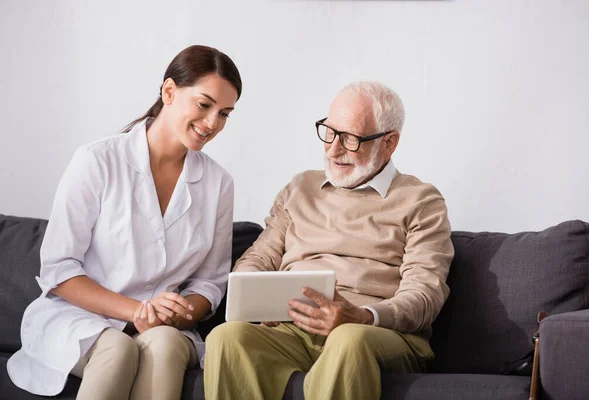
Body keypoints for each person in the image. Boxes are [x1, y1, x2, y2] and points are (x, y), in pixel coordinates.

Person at [7, 45, 242, 400]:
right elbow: (59, 267)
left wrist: (180, 312)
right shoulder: (97, 161)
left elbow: (209, 282)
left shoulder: (219, 184)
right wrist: (138, 312)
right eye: (204, 104)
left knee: (163, 344)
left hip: (164, 327)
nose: (212, 123)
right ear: (169, 92)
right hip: (79, 317)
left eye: (225, 113)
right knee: (117, 349)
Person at [204, 81, 454, 400]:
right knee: (228, 337)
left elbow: (425, 293)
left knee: (347, 338)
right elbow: (258, 259)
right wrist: (259, 297)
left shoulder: (420, 201)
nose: (333, 149)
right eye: (330, 132)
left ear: (389, 143)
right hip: (293, 329)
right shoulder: (300, 188)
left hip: (375, 333)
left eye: (350, 139)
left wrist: (364, 316)